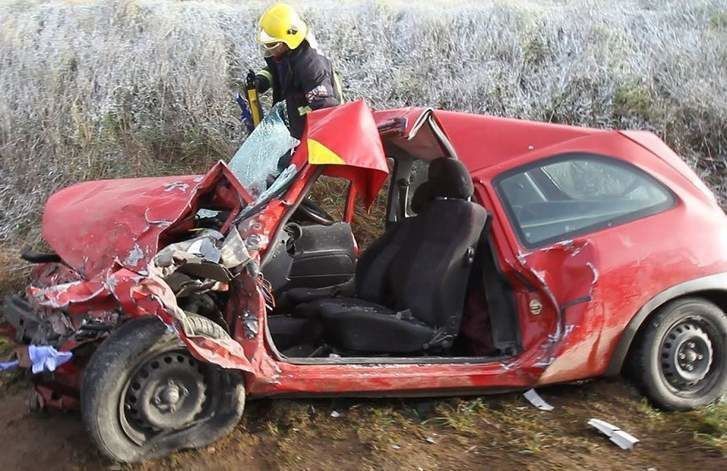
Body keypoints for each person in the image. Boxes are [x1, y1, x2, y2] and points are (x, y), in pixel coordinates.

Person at [252, 3, 343, 139]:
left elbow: (325, 110)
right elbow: (276, 70)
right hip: (294, 128)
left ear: (288, 39)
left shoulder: (312, 67)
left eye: (272, 44)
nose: (269, 49)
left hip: (313, 136)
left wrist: (297, 112)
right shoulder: (285, 56)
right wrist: (261, 80)